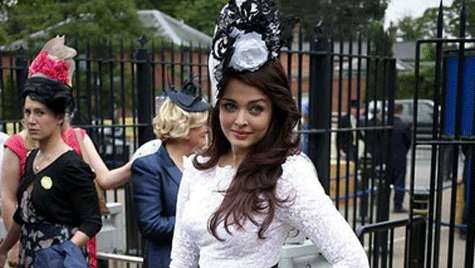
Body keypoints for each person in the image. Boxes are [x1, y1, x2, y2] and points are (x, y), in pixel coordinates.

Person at [169, 1, 369, 267]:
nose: (240, 121)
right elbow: (181, 259)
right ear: (217, 108)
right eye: (230, 106)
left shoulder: (286, 174)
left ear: (274, 111)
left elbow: (352, 259)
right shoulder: (198, 167)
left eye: (255, 109)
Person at [0, 36, 131, 268]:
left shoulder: (72, 159)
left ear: (59, 116)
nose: (31, 120)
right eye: (27, 112)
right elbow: (18, 210)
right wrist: (6, 248)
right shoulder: (30, 155)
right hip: (29, 258)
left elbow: (92, 219)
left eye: (39, 113)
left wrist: (63, 253)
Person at [132, 82, 209, 268]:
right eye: (201, 124)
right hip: (166, 260)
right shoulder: (148, 167)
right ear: (185, 127)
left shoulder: (204, 164)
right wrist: (201, 220)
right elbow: (151, 225)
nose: (206, 129)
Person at [390, 104, 411, 213]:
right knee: (399, 181)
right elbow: (409, 142)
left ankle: (382, 203)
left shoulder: (386, 124)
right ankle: (397, 205)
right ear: (401, 111)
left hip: (387, 157)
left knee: (385, 181)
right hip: (400, 157)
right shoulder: (404, 125)